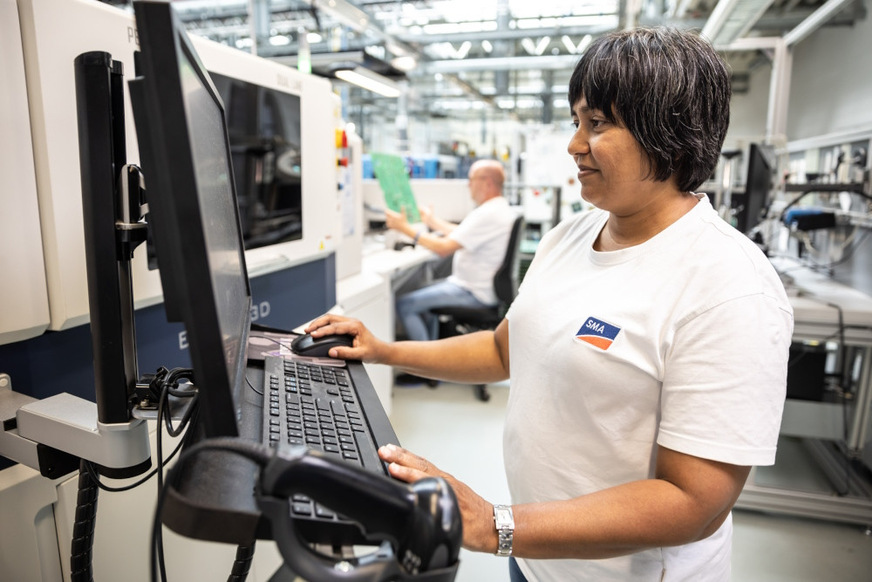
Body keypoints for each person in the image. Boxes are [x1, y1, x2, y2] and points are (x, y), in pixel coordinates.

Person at [304, 27, 793, 582]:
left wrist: (495, 525)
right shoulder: (570, 236)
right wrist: (383, 350)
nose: (574, 143)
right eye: (576, 121)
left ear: (671, 136)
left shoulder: (729, 286)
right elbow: (502, 350)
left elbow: (694, 503)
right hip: (535, 556)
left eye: (598, 123)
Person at [384, 159, 518, 344]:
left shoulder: (488, 213)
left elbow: (442, 248)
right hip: (477, 288)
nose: (468, 185)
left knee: (405, 304)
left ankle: (426, 359)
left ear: (487, 182)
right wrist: (432, 222)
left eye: (471, 179)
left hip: (472, 292)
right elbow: (462, 233)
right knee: (422, 293)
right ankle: (431, 351)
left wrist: (404, 228)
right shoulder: (498, 208)